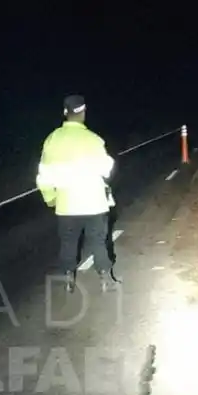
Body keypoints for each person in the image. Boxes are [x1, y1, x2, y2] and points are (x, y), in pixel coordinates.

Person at [36, 94, 118, 292]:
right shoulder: (93, 139)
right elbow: (106, 169)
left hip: (66, 205)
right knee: (98, 241)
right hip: (94, 203)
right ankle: (105, 278)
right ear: (84, 112)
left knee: (68, 242)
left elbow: (43, 175)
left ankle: (67, 278)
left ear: (65, 113)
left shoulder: (52, 140)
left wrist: (50, 198)